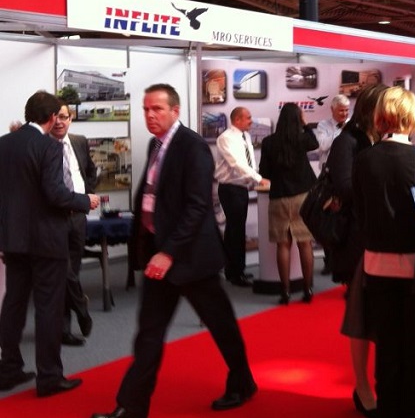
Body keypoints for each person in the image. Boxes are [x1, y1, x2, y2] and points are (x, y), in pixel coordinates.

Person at [92, 84, 256, 418]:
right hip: (160, 257)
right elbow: (153, 198)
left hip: (193, 258)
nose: (150, 115)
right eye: (146, 109)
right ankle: (131, 406)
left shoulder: (192, 147)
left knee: (221, 326)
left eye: (157, 109)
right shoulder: (156, 144)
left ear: (175, 110)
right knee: (149, 334)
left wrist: (169, 252)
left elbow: (197, 207)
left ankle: (243, 382)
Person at [352, 86, 415, 418]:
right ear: (411, 117)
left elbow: (359, 214)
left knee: (387, 349)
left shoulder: (365, 159)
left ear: (380, 117)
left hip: (377, 266)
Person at [0, 91, 99, 397]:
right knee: (48, 308)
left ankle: (8, 370)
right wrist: (85, 201)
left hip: (13, 240)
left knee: (13, 304)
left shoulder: (4, 144)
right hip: (46, 241)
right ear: (53, 116)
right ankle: (49, 377)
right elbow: (55, 193)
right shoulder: (50, 147)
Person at [326, 84, 388, 418]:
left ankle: (379, 382)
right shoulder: (347, 142)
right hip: (356, 240)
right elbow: (344, 188)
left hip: (384, 238)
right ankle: (363, 385)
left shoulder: (382, 139)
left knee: (382, 315)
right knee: (361, 317)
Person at [259, 102, 319, 305]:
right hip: (302, 197)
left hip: (279, 197)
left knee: (282, 245)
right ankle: (308, 289)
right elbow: (314, 143)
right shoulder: (301, 139)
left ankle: (285, 292)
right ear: (298, 118)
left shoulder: (268, 142)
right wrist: (306, 124)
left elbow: (264, 173)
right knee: (305, 243)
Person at [50, 103, 98, 346]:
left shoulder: (79, 141)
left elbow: (90, 170)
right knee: (63, 271)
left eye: (64, 117)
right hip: (54, 219)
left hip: (78, 218)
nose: (59, 121)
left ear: (70, 119)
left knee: (71, 273)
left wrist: (87, 194)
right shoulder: (42, 145)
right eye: (55, 117)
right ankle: (81, 308)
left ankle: (64, 331)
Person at [214, 106, 269, 287]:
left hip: (240, 189)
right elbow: (236, 163)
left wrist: (253, 180)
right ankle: (235, 273)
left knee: (235, 231)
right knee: (235, 232)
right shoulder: (226, 138)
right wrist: (259, 179)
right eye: (248, 118)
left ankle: (235, 270)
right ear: (237, 119)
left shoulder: (245, 136)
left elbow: (249, 163)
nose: (251, 121)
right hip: (230, 189)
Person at [314, 94, 351, 275]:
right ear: (332, 110)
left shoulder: (352, 125)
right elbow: (322, 145)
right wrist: (341, 132)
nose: (344, 114)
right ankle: (328, 260)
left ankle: (344, 260)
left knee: (346, 218)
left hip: (346, 177)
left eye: (346, 110)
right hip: (327, 179)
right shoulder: (323, 125)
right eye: (341, 110)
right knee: (328, 219)